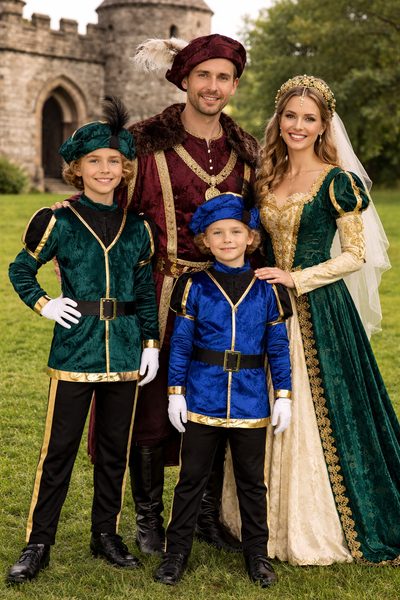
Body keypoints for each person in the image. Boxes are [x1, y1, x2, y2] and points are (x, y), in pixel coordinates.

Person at [87, 33, 260, 555]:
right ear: (184, 78)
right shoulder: (143, 144)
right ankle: (148, 519)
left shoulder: (247, 152)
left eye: (223, 77)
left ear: (234, 85)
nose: (212, 86)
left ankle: (205, 514)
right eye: (203, 75)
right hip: (159, 293)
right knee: (150, 407)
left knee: (215, 402)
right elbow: (108, 219)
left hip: (225, 300)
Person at [221, 74, 400, 566]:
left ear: (324, 126)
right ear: (278, 119)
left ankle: (313, 523)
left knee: (316, 408)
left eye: (309, 118)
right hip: (264, 308)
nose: (297, 126)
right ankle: (255, 520)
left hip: (319, 308)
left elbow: (356, 255)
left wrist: (297, 278)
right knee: (261, 404)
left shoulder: (337, 181)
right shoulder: (266, 176)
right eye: (290, 115)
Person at [7, 97, 160, 584]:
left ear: (125, 168)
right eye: (94, 161)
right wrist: (45, 304)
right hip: (75, 350)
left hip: (126, 352)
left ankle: (105, 534)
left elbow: (144, 290)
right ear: (77, 168)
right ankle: (38, 542)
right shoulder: (58, 220)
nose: (105, 169)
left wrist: (151, 343)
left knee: (114, 452)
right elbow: (21, 269)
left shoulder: (139, 229)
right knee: (59, 452)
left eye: (114, 161)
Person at [153, 192, 292, 586]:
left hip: (251, 400)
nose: (227, 239)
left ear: (250, 237)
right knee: (191, 479)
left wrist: (283, 396)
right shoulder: (194, 285)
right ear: (206, 241)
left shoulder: (267, 288)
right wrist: (176, 392)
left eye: (235, 231)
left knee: (252, 483)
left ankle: (257, 555)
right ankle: (176, 554)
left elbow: (278, 348)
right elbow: (181, 343)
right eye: (217, 233)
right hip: (203, 395)